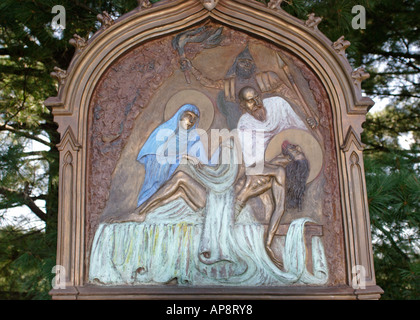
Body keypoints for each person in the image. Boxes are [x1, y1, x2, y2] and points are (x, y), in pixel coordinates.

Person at [136, 104, 208, 209]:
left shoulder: (193, 138)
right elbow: (156, 157)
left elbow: (202, 161)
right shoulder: (165, 132)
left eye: (194, 119)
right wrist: (184, 157)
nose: (190, 121)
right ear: (180, 116)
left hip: (176, 178)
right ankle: (146, 206)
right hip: (158, 175)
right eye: (188, 116)